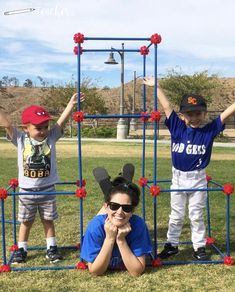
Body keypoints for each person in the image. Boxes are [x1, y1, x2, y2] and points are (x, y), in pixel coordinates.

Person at [143, 76, 235, 261]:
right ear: (183, 115)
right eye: (189, 114)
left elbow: (225, 114)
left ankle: (199, 247)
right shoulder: (177, 127)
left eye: (198, 113)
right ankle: (171, 245)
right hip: (177, 178)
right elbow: (167, 107)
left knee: (196, 215)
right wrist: (157, 87)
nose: (194, 117)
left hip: (198, 179)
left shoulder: (209, 130)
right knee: (176, 214)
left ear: (204, 113)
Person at [0, 92, 85, 264]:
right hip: (26, 191)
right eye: (38, 128)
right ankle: (21, 249)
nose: (43, 131)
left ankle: (51, 249)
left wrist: (71, 104)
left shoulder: (51, 137)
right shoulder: (20, 139)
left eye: (45, 126)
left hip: (47, 189)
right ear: (26, 128)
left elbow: (61, 122)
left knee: (48, 220)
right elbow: (8, 125)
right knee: (26, 222)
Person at [80, 165, 152, 276]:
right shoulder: (95, 226)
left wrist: (121, 240)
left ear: (132, 211)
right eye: (114, 206)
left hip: (112, 216)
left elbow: (136, 271)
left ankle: (120, 188)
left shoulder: (138, 225)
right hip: (102, 218)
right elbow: (95, 271)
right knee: (111, 208)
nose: (120, 212)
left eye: (127, 208)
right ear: (105, 206)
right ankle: (123, 186)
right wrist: (109, 239)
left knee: (117, 200)